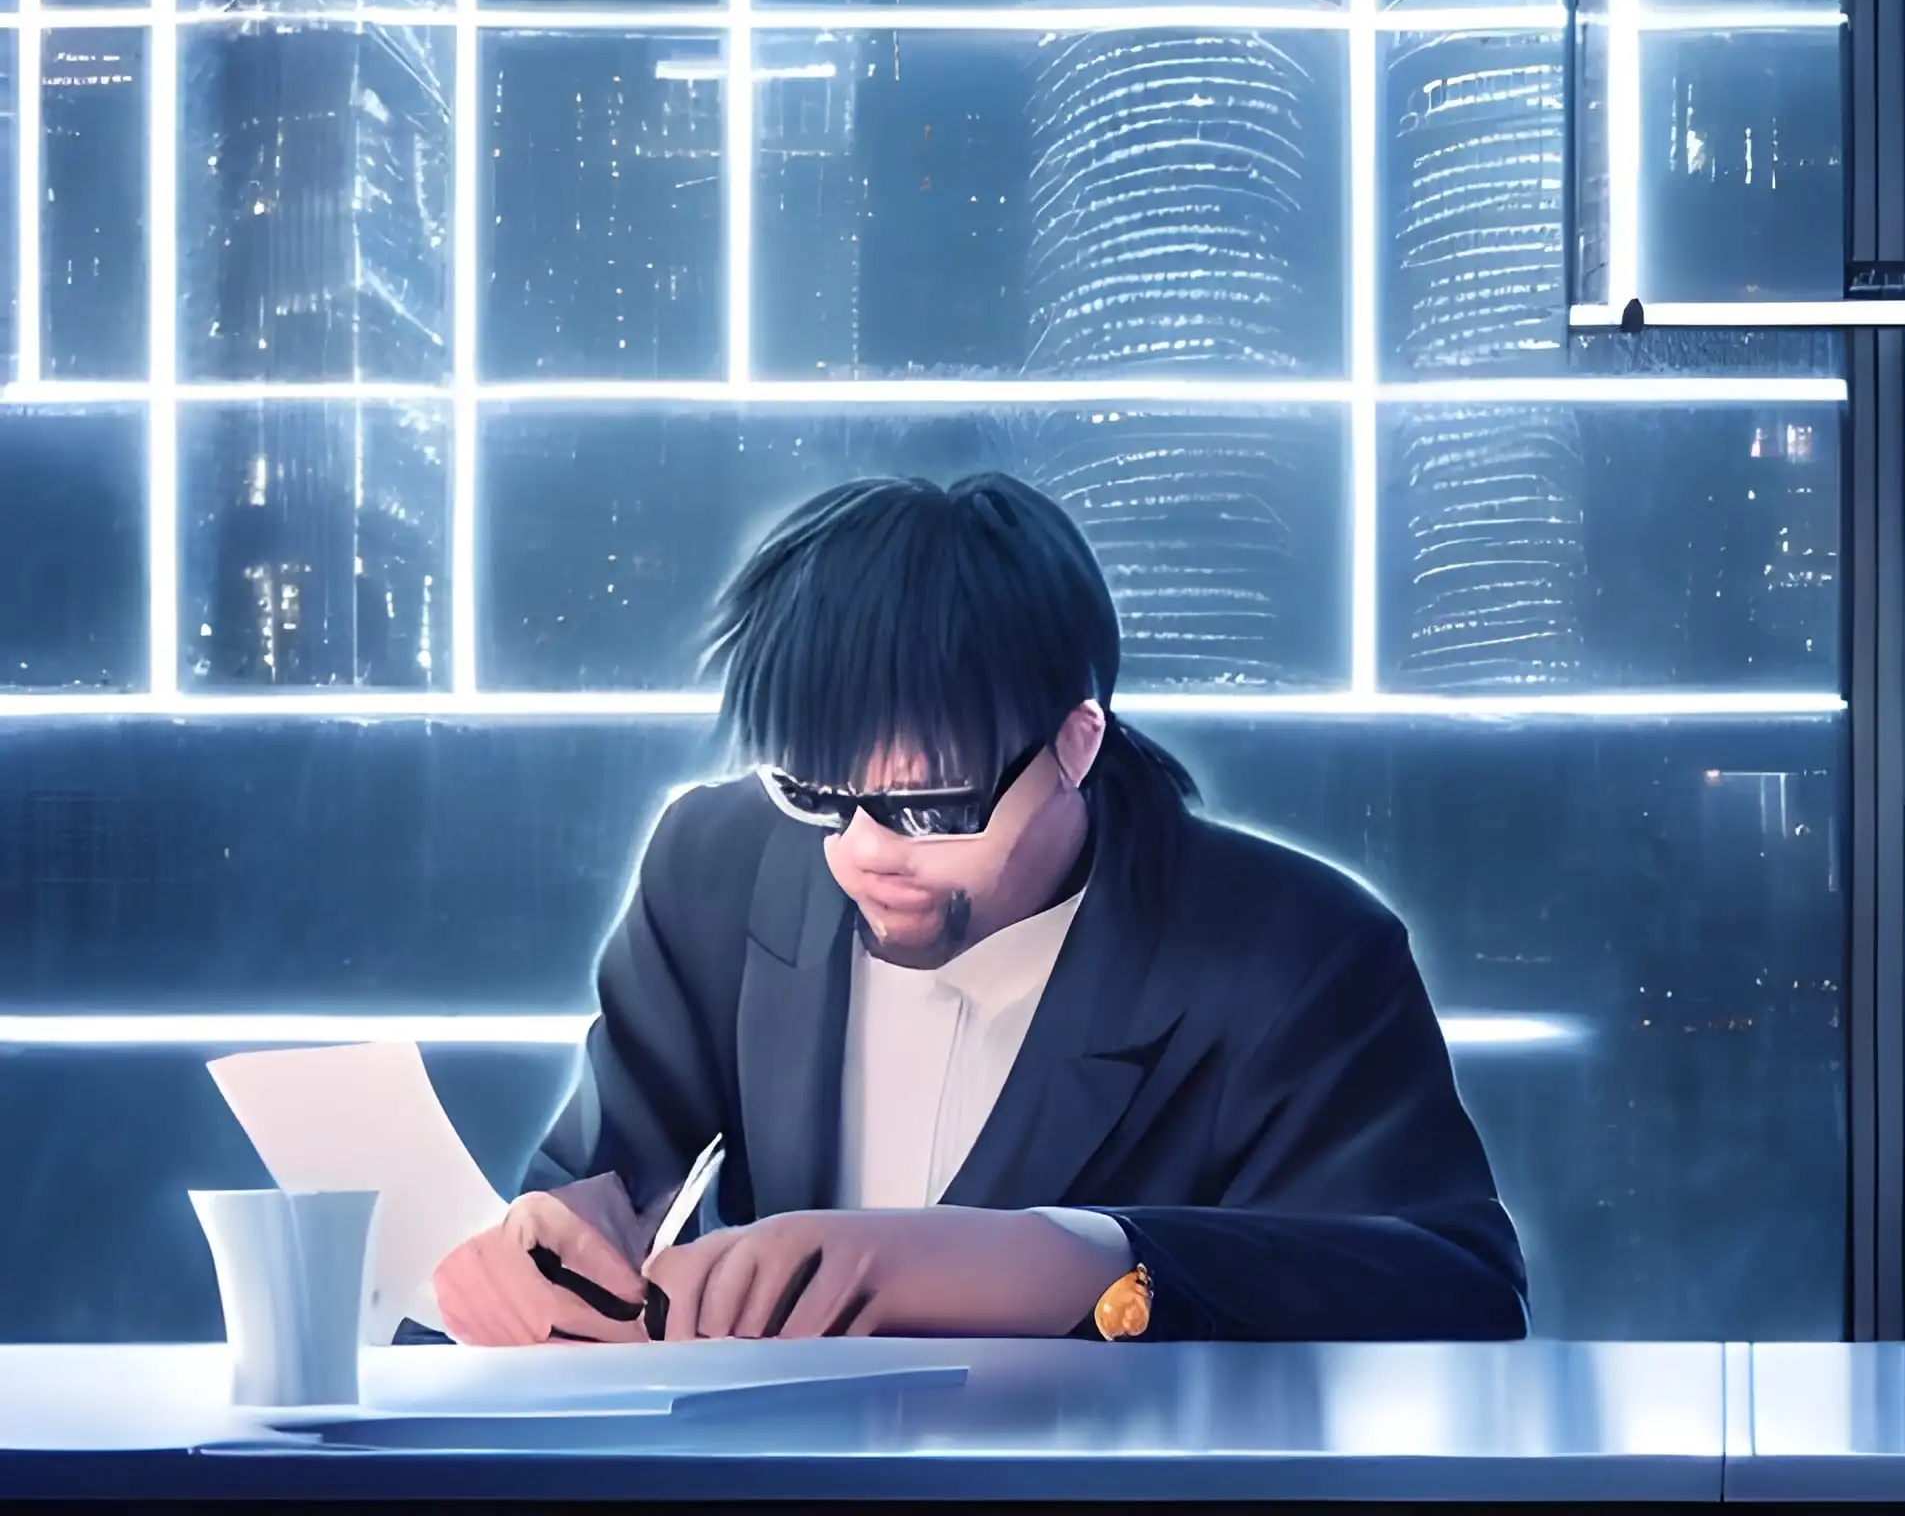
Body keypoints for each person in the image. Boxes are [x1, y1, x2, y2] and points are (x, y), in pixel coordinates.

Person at [430, 473, 1527, 1345]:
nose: (861, 851)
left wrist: (1084, 1258)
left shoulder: (1294, 948)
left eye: (932, 806)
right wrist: (550, 1247)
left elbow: (1455, 1287)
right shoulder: (715, 862)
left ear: (1075, 744)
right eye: (815, 792)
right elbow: (609, 1173)